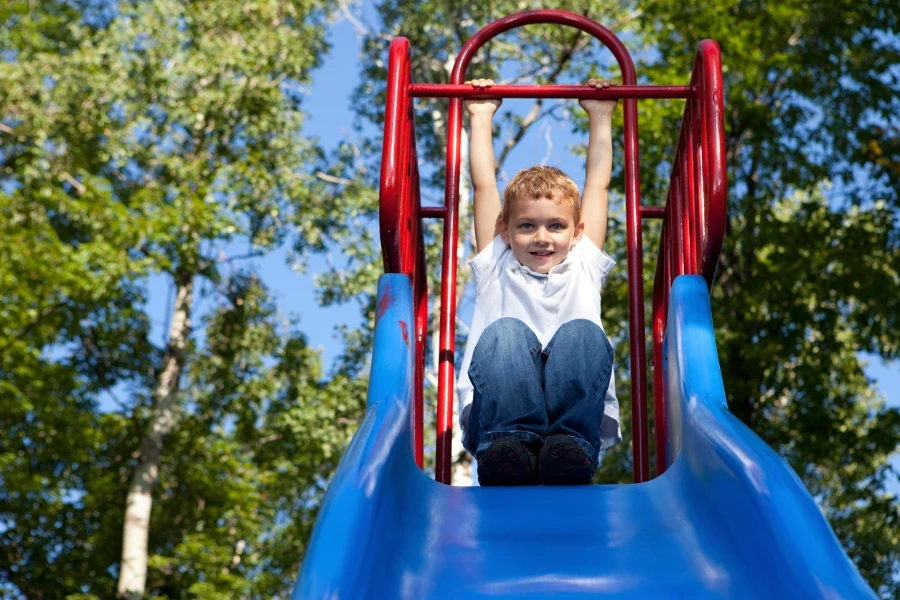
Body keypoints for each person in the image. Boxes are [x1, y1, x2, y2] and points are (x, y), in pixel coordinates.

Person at [457, 78, 621, 486]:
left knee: (583, 334)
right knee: (507, 334)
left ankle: (568, 448)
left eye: (556, 226)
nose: (542, 237)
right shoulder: (498, 264)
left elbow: (598, 185)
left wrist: (601, 115)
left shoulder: (583, 263)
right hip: (497, 427)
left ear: (577, 232)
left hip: (571, 432)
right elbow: (483, 186)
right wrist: (480, 116)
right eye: (526, 226)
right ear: (505, 230)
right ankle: (509, 445)